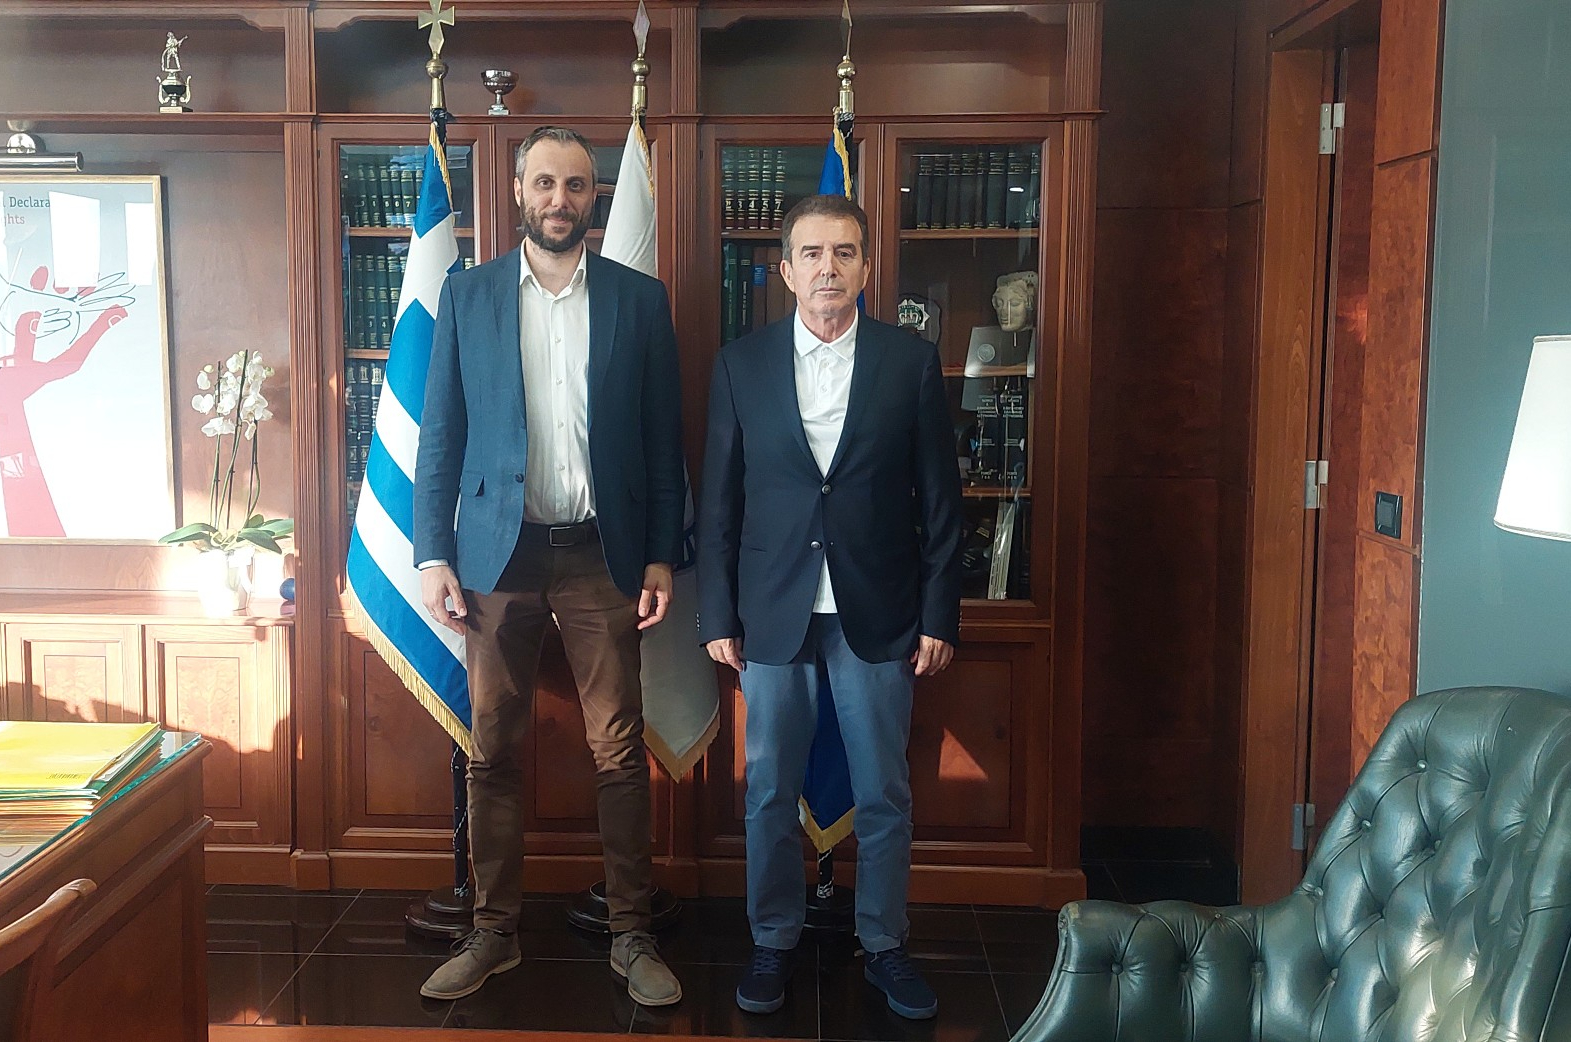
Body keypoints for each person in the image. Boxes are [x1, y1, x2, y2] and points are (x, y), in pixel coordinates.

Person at [413, 125, 685, 1008]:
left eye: (574, 184)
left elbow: (662, 440)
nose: (558, 199)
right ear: (518, 190)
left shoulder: (639, 300)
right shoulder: (470, 295)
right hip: (499, 553)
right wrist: (432, 552)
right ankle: (493, 934)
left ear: (594, 195)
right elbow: (440, 435)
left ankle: (632, 935)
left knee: (618, 749)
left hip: (605, 553)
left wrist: (660, 553)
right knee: (493, 747)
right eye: (543, 183)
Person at [696, 194, 964, 1020]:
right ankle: (773, 940)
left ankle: (883, 944)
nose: (827, 269)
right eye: (811, 254)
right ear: (785, 270)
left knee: (883, 789)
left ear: (866, 268)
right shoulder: (740, 364)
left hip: (876, 612)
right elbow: (719, 503)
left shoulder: (908, 361)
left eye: (844, 253)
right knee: (769, 790)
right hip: (771, 612)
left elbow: (941, 502)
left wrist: (939, 614)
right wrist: (716, 616)